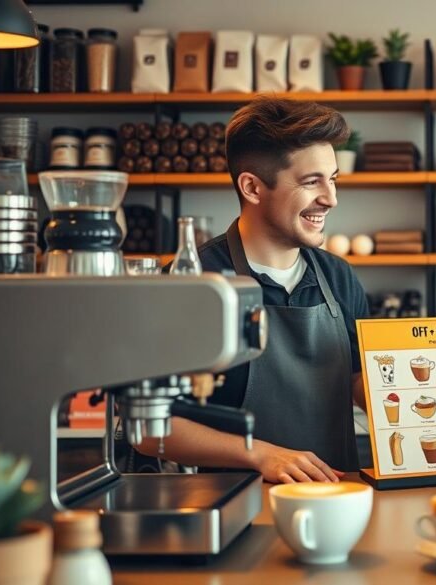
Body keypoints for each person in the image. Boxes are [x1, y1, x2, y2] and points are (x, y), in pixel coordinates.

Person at [137, 97, 369, 484]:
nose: (331, 198)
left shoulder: (339, 278)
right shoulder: (194, 283)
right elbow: (148, 430)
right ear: (253, 188)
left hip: (338, 502)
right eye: (312, 182)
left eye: (333, 179)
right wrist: (259, 454)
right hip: (235, 504)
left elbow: (366, 387)